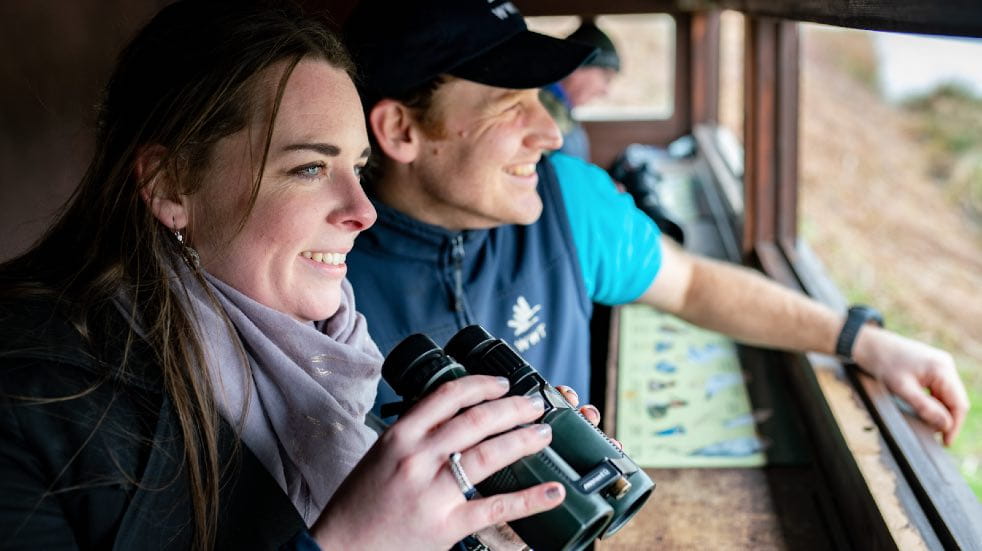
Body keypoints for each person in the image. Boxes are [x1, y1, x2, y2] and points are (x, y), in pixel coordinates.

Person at [0, 2, 571, 549]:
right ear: (171, 183)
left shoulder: (323, 353)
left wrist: (476, 521)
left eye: (357, 168)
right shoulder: (29, 394)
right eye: (310, 167)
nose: (363, 211)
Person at [343, 0, 970, 445]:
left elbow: (694, 285)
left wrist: (862, 340)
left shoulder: (567, 199)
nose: (549, 132)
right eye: (511, 107)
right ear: (400, 130)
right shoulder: (316, 273)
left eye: (541, 99)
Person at [540, 20, 622, 161]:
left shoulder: (561, 107)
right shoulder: (542, 108)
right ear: (578, 66)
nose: (605, 91)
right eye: (606, 77)